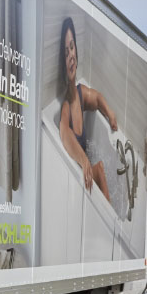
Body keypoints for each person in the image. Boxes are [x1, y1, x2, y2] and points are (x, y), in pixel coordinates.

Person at [57, 17, 117, 201]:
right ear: (63, 62)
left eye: (72, 48)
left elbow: (97, 98)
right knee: (97, 169)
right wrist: (84, 162)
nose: (71, 56)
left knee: (98, 169)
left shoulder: (80, 94)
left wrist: (110, 114)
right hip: (79, 174)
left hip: (86, 171)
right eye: (66, 52)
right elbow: (64, 132)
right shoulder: (66, 104)